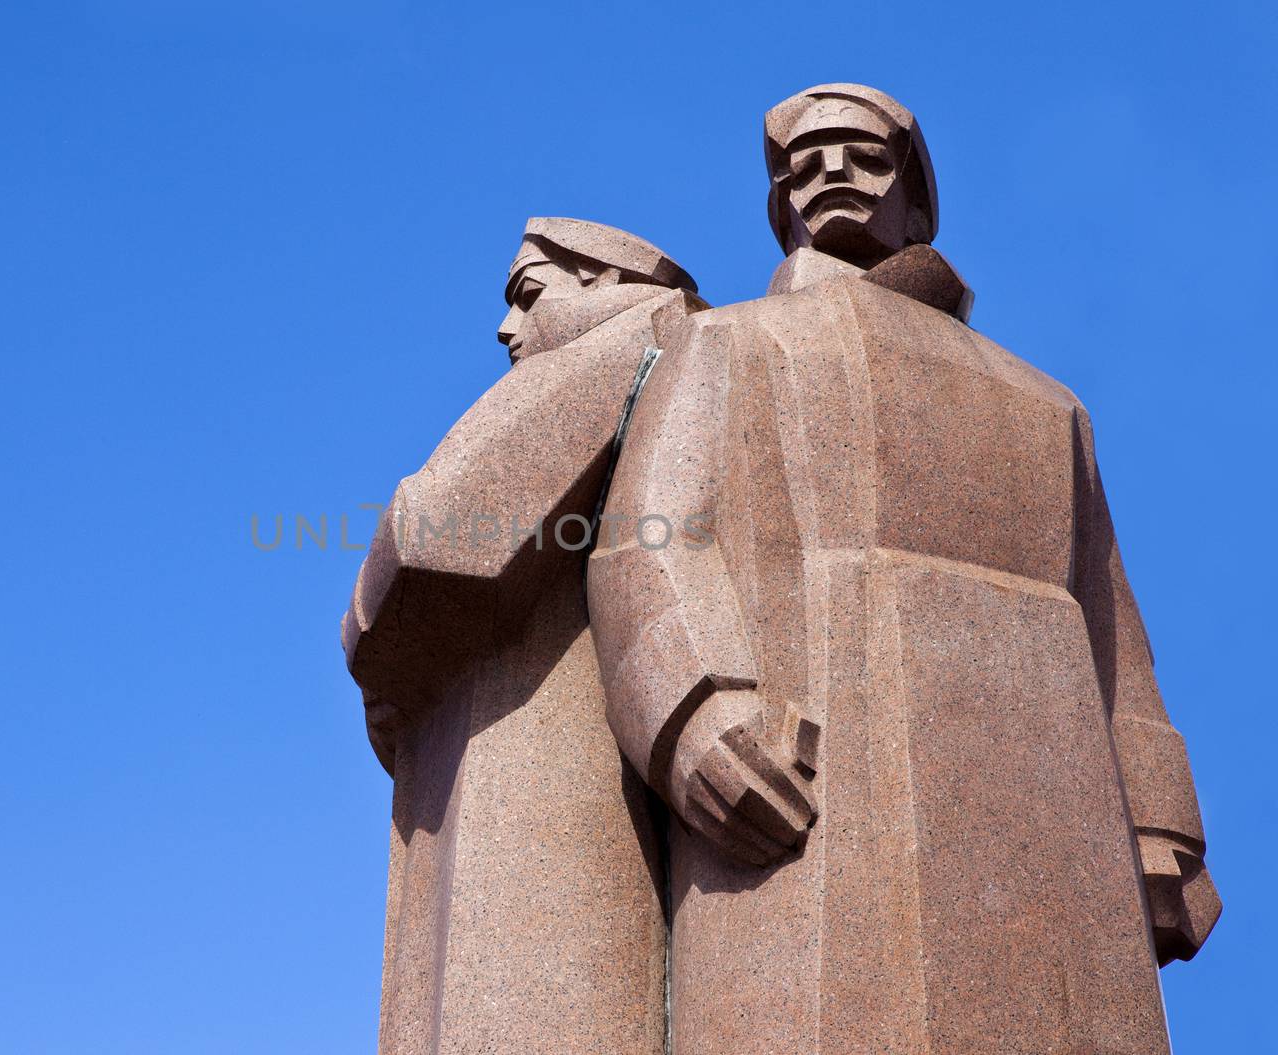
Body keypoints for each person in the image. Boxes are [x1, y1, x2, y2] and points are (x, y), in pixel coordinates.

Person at [587, 83, 1219, 1054]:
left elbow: (1109, 628)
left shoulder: (1049, 406)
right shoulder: (727, 341)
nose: (830, 171)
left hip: (1051, 821)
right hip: (820, 782)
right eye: (803, 165)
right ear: (783, 207)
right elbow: (651, 538)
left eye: (861, 154)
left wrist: (1160, 827)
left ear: (916, 201)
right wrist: (696, 713)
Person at [343, 218, 706, 1055]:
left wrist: (370, 628)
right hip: (493, 733)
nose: (507, 329)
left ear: (607, 284)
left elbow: (433, 534)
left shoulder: (639, 337)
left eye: (529, 294)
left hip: (544, 741)